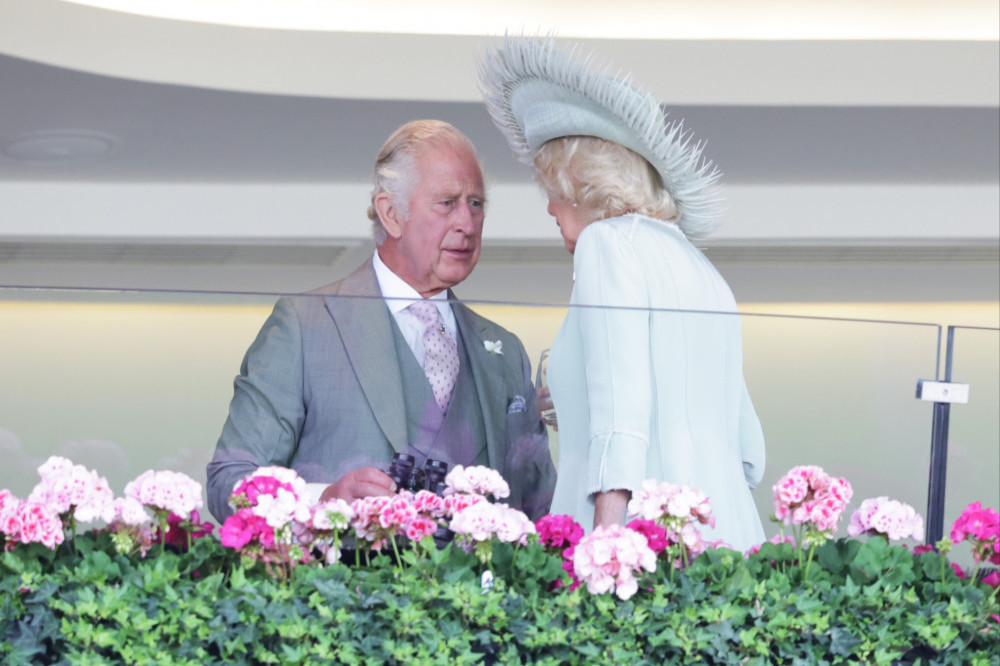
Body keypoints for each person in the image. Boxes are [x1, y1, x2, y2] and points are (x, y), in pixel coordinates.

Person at [479, 36, 765, 551]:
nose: (548, 211)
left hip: (643, 543)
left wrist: (607, 548)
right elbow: (750, 451)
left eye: (550, 192)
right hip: (727, 537)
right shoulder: (703, 270)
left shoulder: (605, 244)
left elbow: (622, 415)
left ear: (578, 185)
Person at [206, 119, 556, 522]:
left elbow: (540, 509)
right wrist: (323, 501)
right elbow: (228, 484)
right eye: (447, 203)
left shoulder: (504, 350)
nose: (467, 223)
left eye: (476, 203)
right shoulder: (304, 326)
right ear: (391, 214)